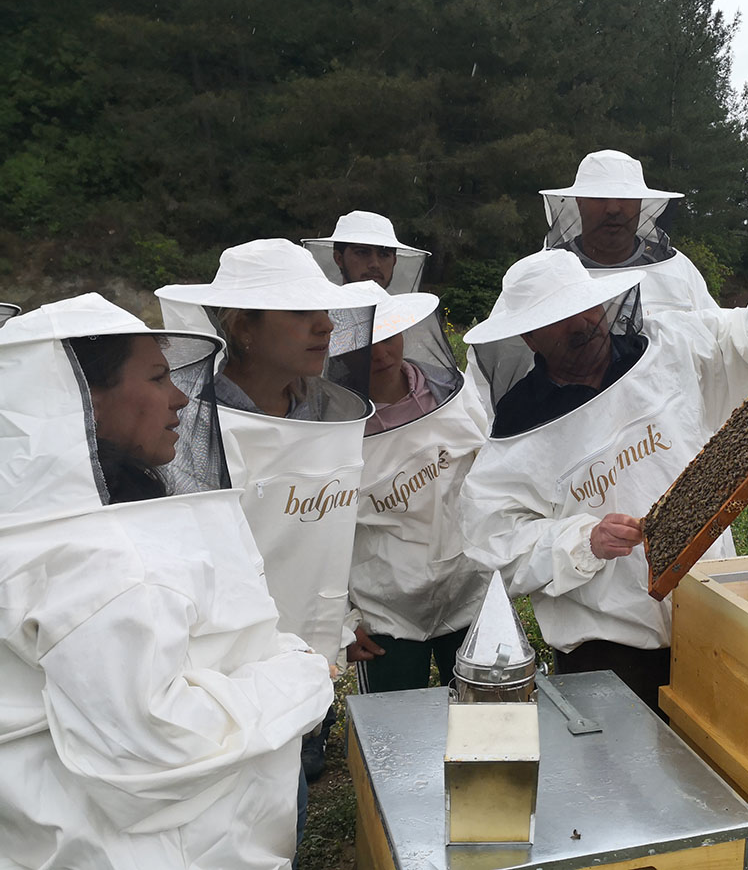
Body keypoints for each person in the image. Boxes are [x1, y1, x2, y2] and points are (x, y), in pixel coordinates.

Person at [0, 294, 333, 869]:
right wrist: (300, 677)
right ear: (79, 402)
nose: (181, 397)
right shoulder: (96, 560)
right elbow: (158, 746)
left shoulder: (55, 530)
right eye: (157, 377)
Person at [459, 249, 748, 712]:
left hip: (712, 615)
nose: (582, 322)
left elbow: (744, 334)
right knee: (616, 779)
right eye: (559, 318)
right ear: (530, 337)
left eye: (586, 305)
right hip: (606, 647)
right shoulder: (517, 437)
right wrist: (582, 540)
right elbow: (493, 541)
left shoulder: (670, 346)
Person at [157, 240, 378, 781]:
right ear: (243, 328)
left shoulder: (326, 408)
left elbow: (316, 540)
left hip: (313, 661)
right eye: (300, 312)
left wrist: (339, 626)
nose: (325, 326)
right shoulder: (186, 428)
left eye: (324, 310)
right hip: (230, 677)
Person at [344, 289, 492, 693]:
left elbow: (489, 483)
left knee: (480, 720)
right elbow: (319, 532)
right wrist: (342, 621)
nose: (379, 353)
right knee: (391, 737)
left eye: (388, 336)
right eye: (364, 344)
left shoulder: (452, 397)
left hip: (468, 590)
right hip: (386, 611)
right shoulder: (333, 423)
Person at [540, 149, 720, 314]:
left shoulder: (678, 268)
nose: (613, 209)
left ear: (640, 203)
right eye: (599, 197)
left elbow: (714, 333)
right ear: (579, 201)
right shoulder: (545, 272)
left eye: (625, 197)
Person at [303, 209, 431, 293]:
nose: (375, 264)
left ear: (394, 261)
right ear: (339, 259)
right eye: (362, 252)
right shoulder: (320, 322)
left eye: (384, 254)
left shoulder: (403, 319)